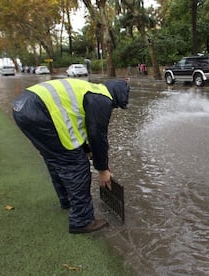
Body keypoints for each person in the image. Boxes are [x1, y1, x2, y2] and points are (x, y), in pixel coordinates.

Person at [12, 78, 129, 234]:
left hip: (22, 108)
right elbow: (97, 136)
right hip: (39, 111)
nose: (113, 108)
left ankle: (67, 200)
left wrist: (87, 150)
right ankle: (82, 221)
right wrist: (102, 169)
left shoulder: (91, 90)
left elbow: (80, 126)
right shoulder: (102, 100)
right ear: (116, 97)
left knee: (56, 159)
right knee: (76, 165)